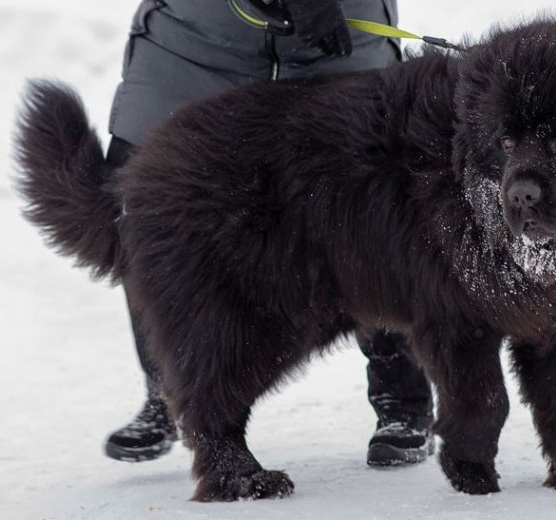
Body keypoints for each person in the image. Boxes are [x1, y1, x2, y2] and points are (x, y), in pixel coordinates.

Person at [103, 0, 435, 467]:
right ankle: (171, 389)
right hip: (195, 39)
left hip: (337, 34)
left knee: (370, 202)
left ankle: (402, 399)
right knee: (142, 201)